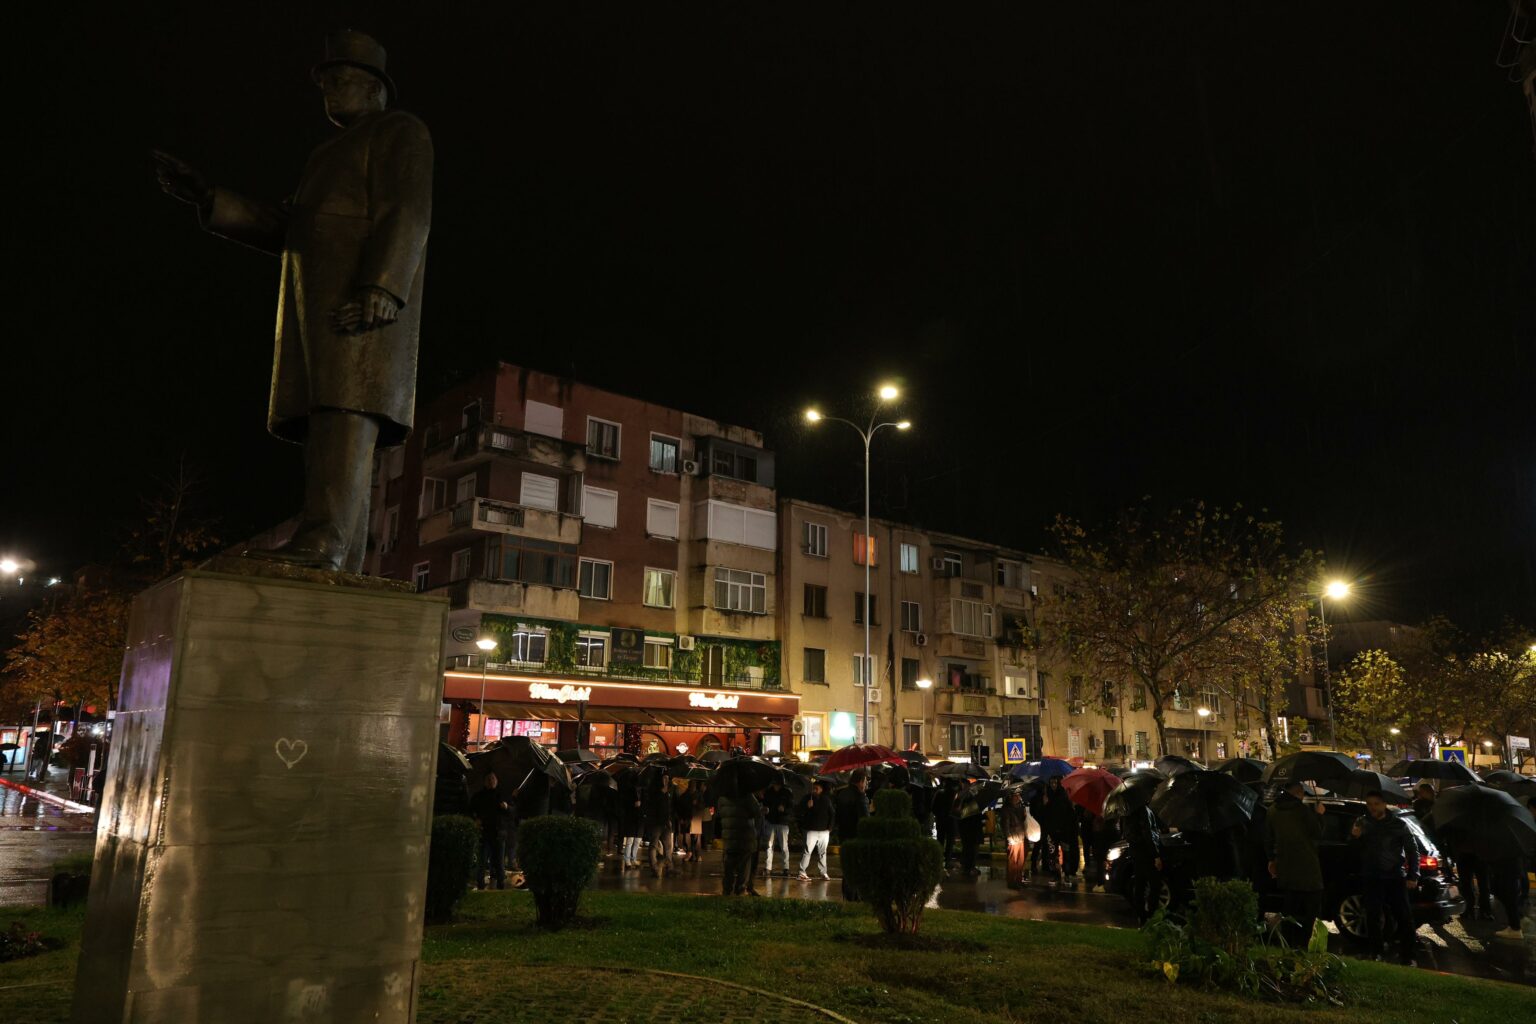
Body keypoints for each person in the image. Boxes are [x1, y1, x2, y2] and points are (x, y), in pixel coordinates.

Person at [1350, 790, 1420, 964]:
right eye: (1369, 804)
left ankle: (1408, 954)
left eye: (1376, 804)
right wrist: (1355, 837)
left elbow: (1413, 851)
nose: (1372, 807)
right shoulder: (1363, 823)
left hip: (1394, 875)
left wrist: (1413, 875)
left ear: (1384, 804)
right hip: (1372, 875)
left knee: (1403, 915)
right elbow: (1353, 850)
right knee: (1372, 916)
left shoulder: (1398, 825)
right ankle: (1376, 952)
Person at [1266, 780, 1328, 948]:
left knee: (1289, 910)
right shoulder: (1302, 811)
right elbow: (1317, 833)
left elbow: (1269, 838)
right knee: (1312, 912)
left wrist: (1272, 859)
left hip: (1286, 868)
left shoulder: (1272, 810)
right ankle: (1307, 944)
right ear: (1298, 793)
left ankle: (1288, 944)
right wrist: (1320, 814)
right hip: (1308, 869)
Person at [1122, 802, 1164, 923]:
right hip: (1146, 853)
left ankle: (1141, 915)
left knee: (1140, 884)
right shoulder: (1144, 811)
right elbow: (1148, 834)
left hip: (1136, 853)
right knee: (1155, 884)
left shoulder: (1129, 812)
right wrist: (1156, 855)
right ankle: (1151, 914)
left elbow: (1128, 834)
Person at [468, 772, 510, 891]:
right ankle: (480, 883)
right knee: (482, 859)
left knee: (499, 861)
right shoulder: (478, 796)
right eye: (489, 779)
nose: (491, 781)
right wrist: (475, 820)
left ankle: (500, 883)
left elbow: (511, 812)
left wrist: (507, 807)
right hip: (484, 832)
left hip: (499, 833)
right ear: (484, 781)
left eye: (493, 779)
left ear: (497, 781)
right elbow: (470, 810)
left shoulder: (501, 795)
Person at [717, 788, 762, 896]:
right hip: (744, 836)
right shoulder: (747, 795)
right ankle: (740, 890)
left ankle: (727, 890)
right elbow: (756, 812)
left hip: (729, 836)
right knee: (744, 865)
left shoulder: (722, 797)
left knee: (729, 865)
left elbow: (720, 813)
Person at [834, 771, 872, 900]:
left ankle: (847, 895)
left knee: (847, 868)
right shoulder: (860, 796)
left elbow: (837, 817)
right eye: (866, 781)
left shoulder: (842, 794)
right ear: (861, 781)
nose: (866, 784)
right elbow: (865, 821)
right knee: (857, 869)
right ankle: (855, 897)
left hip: (844, 837)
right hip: (857, 838)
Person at [1040, 776, 1079, 881]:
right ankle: (1054, 873)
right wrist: (1045, 804)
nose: (1053, 785)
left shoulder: (1063, 795)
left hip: (1064, 830)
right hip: (1052, 831)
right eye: (1051, 783)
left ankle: (1066, 873)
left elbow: (1069, 813)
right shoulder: (1047, 795)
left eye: (1055, 783)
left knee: (1066, 853)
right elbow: (1044, 815)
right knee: (1052, 853)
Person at [798, 780, 835, 880]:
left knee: (823, 852)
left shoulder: (826, 800)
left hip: (824, 831)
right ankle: (802, 872)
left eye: (816, 789)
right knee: (807, 852)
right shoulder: (807, 798)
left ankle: (823, 872)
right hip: (811, 830)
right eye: (813, 788)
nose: (814, 790)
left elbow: (832, 813)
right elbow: (799, 811)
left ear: (821, 790)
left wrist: (829, 828)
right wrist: (807, 806)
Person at [641, 770, 674, 878]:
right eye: (664, 778)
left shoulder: (667, 791)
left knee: (668, 846)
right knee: (654, 845)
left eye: (667, 778)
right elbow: (653, 806)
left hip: (665, 822)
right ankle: (654, 868)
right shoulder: (655, 791)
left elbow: (667, 807)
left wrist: (669, 819)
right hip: (656, 822)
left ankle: (669, 867)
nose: (666, 780)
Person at [762, 779, 794, 876]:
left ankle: (785, 868)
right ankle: (768, 867)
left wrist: (784, 810)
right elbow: (764, 803)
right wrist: (765, 809)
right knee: (769, 846)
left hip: (782, 822)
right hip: (770, 821)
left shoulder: (787, 792)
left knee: (784, 846)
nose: (775, 784)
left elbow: (791, 807)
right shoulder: (768, 792)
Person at [1000, 790, 1031, 888]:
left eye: (1018, 795)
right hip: (1013, 838)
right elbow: (1005, 825)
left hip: (1021, 836)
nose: (1017, 798)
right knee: (1013, 861)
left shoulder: (1021, 808)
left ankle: (1018, 879)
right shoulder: (1006, 809)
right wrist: (1009, 837)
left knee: (1021, 861)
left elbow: (1024, 822)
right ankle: (1012, 882)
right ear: (1010, 797)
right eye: (1015, 796)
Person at [617, 769, 644, 870]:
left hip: (640, 818)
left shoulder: (642, 790)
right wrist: (633, 804)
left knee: (637, 840)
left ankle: (633, 858)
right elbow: (624, 803)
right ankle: (627, 860)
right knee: (630, 840)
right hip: (631, 817)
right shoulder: (628, 790)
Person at [957, 803, 986, 878]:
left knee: (968, 848)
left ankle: (967, 867)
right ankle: (970, 868)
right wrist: (982, 817)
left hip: (966, 832)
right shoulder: (973, 806)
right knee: (973, 850)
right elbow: (975, 820)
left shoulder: (962, 805)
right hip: (973, 832)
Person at [933, 781, 958, 867]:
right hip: (951, 821)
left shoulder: (939, 793)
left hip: (940, 820)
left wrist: (938, 815)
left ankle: (938, 859)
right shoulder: (955, 795)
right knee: (950, 842)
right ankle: (948, 860)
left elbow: (933, 807)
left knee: (940, 840)